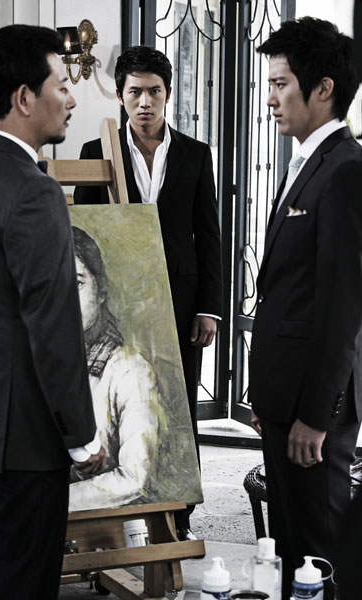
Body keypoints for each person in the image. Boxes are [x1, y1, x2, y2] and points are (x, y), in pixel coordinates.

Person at [0, 24, 104, 600]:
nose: (71, 100)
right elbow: (54, 328)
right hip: (24, 443)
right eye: (61, 86)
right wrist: (82, 438)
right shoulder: (33, 190)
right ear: (24, 98)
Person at [74, 45, 223, 540]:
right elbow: (86, 232)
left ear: (168, 94)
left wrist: (210, 308)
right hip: (119, 304)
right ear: (120, 95)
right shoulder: (96, 152)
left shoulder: (196, 154)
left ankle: (179, 517)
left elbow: (209, 236)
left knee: (177, 405)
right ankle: (112, 516)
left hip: (182, 304)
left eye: (154, 92)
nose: (144, 102)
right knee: (116, 405)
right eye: (135, 92)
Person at [248, 17, 362, 600]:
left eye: (280, 84)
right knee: (293, 548)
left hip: (311, 412)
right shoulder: (307, 163)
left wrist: (316, 416)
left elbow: (343, 308)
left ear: (323, 88)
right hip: (284, 396)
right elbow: (287, 292)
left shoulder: (344, 170)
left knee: (316, 554)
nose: (270, 98)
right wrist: (265, 394)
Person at [69, 226, 162, 510]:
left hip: (92, 520)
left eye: (77, 283)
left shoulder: (128, 369)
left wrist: (49, 500)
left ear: (100, 290)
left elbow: (134, 478)